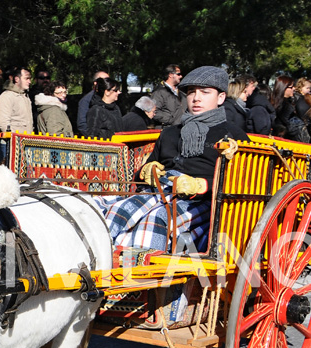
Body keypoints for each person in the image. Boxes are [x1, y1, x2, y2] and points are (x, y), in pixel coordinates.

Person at [94, 66, 249, 251]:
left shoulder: (233, 135)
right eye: (191, 92)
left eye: (205, 92)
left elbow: (244, 184)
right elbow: (142, 175)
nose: (196, 98)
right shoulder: (169, 133)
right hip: (160, 192)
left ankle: (141, 273)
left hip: (203, 203)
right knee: (115, 211)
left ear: (221, 97)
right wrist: (146, 172)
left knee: (156, 219)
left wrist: (201, 185)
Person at [0, 66, 34, 136]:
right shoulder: (6, 96)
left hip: (26, 141)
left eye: (30, 79)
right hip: (11, 143)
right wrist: (15, 139)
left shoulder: (26, 97)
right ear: (17, 79)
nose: (29, 82)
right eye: (26, 78)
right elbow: (4, 124)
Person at [77, 70, 110, 135]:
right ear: (95, 83)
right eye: (105, 80)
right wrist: (92, 138)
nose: (107, 82)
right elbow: (82, 124)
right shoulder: (86, 100)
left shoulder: (109, 98)